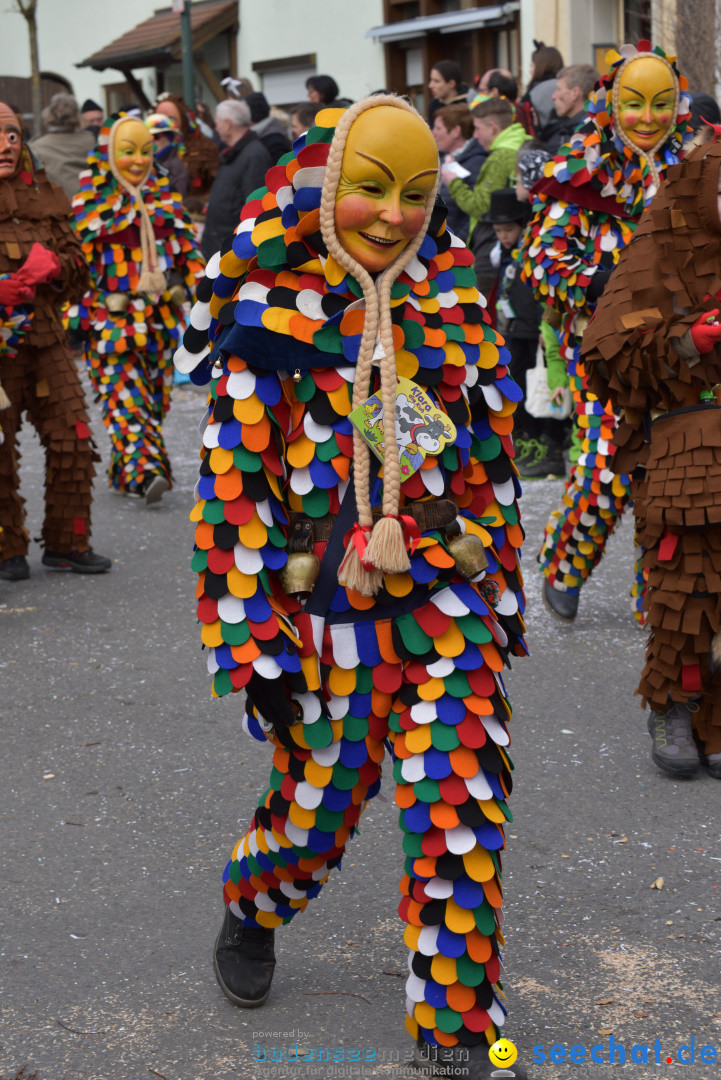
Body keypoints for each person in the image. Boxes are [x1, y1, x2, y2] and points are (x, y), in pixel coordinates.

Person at [175, 95, 527, 1080]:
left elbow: (485, 469)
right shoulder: (269, 320)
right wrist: (249, 647)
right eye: (371, 188)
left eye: (417, 193)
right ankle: (253, 902)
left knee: (459, 804)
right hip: (322, 623)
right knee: (316, 813)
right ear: (326, 186)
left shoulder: (452, 303)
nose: (393, 214)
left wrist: (489, 578)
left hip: (441, 610)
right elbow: (233, 503)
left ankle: (457, 1023)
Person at [520, 42, 693, 623]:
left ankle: (662, 596)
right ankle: (564, 562)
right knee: (606, 466)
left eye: (661, 104)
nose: (648, 118)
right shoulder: (582, 170)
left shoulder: (698, 167)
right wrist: (600, 283)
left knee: (673, 471)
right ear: (613, 103)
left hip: (681, 351)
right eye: (635, 104)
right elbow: (539, 263)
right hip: (604, 351)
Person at [583, 134, 721, 778]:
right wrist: (685, 342)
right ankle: (673, 704)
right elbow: (607, 356)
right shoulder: (659, 244)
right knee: (686, 589)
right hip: (687, 451)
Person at [0, 101, 111, 580]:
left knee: (74, 437)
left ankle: (67, 542)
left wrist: (57, 267)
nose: (4, 144)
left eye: (11, 134)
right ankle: (6, 548)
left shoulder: (45, 195)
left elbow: (80, 269)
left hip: (46, 340)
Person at [67, 113, 204, 502]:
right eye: (128, 152)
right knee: (125, 401)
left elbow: (188, 256)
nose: (139, 160)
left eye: (146, 151)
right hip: (108, 325)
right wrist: (76, 315)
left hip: (159, 324)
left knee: (153, 405)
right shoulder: (91, 203)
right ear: (109, 154)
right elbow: (75, 268)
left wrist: (197, 291)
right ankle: (147, 473)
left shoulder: (164, 199)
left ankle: (124, 474)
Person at [488, 186, 565, 480]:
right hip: (516, 327)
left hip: (534, 328)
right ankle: (529, 440)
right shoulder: (506, 254)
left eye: (508, 229)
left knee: (541, 383)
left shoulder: (530, 249)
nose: (503, 235)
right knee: (520, 383)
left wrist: (538, 326)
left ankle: (549, 445)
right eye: (498, 230)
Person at [441, 96, 527, 297]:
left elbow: (481, 206)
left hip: (491, 246)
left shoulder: (500, 157)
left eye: (478, 129)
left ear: (493, 127)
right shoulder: (522, 143)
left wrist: (452, 182)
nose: (476, 136)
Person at [201, 99, 271, 260]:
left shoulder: (254, 154)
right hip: (219, 244)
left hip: (232, 250)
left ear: (227, 124)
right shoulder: (234, 152)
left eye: (217, 123)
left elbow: (254, 206)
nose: (216, 128)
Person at [432, 103, 486, 243]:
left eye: (438, 128)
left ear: (456, 131)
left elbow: (473, 213)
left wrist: (456, 241)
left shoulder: (476, 163)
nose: (433, 132)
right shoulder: (444, 158)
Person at [155, 93, 219, 209]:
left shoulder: (205, 147)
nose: (165, 125)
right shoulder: (154, 149)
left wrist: (199, 203)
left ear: (183, 119)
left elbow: (218, 184)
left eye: (170, 118)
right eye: (159, 119)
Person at [29, 93, 95, 201]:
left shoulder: (37, 146)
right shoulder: (90, 140)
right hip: (90, 207)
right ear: (77, 115)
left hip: (57, 209)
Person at [544, 64, 599, 154]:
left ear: (575, 93)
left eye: (558, 89)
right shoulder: (594, 124)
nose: (553, 96)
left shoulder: (583, 134)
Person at [519, 44, 564, 138]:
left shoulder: (534, 91)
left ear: (540, 66)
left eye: (532, 66)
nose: (530, 71)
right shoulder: (567, 85)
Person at [145, 112, 189, 199]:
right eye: (147, 137)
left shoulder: (176, 167)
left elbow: (178, 201)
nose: (151, 141)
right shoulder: (148, 161)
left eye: (155, 136)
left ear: (169, 138)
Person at [242, 91, 291, 165]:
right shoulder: (267, 133)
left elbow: (279, 172)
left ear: (250, 115)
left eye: (243, 112)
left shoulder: (275, 141)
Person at [428, 60, 468, 126]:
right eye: (431, 80)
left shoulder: (468, 103)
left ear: (451, 84)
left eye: (436, 81)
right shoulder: (433, 104)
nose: (430, 85)